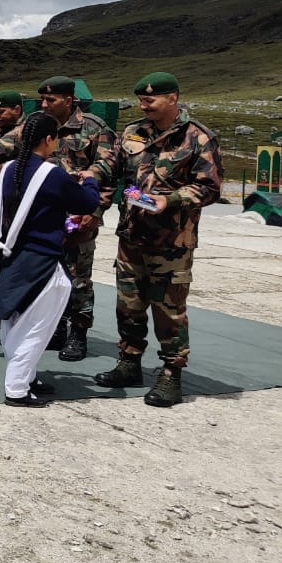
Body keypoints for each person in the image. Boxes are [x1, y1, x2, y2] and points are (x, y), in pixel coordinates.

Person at [86, 72, 222, 408]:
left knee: (168, 310)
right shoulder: (133, 132)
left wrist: (171, 200)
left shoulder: (199, 138)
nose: (143, 104)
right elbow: (113, 165)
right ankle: (129, 362)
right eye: (141, 99)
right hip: (132, 236)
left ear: (173, 98)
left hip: (172, 242)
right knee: (128, 305)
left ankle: (171, 375)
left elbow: (209, 186)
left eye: (151, 99)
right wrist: (92, 173)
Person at [0, 77, 117, 361]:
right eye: (43, 100)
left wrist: (93, 212)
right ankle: (55, 328)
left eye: (51, 100)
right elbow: (4, 145)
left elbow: (107, 167)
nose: (44, 105)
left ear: (69, 100)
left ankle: (78, 334)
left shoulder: (93, 128)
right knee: (48, 276)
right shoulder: (37, 123)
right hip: (44, 218)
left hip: (79, 213)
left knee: (78, 278)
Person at [0, 113, 102, 407]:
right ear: (49, 140)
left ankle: (25, 376)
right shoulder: (51, 173)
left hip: (14, 253)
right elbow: (87, 203)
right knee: (37, 324)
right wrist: (89, 180)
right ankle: (16, 387)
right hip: (42, 257)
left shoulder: (10, 168)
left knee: (17, 317)